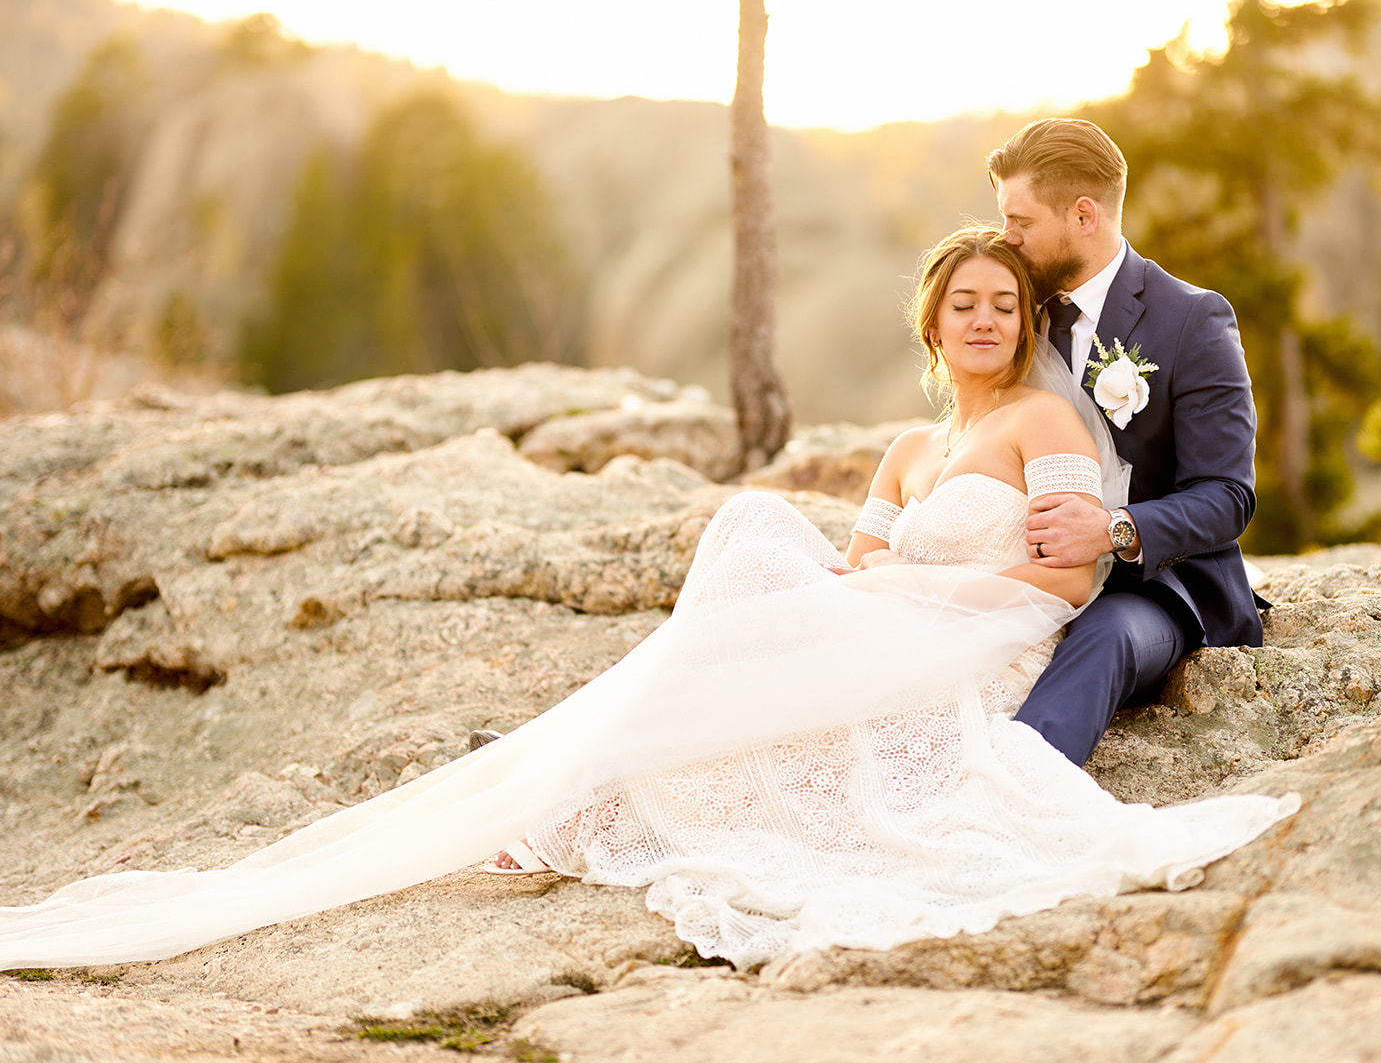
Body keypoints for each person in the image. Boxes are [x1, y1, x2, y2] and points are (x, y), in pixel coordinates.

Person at [0, 228, 1296, 973]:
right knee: (754, 527)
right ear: (931, 319)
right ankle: (582, 792)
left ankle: (566, 797)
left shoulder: (1044, 418)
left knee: (751, 547)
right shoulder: (909, 450)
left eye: (1001, 303)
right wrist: (870, 584)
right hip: (893, 611)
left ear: (1022, 325)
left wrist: (920, 583)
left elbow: (1067, 574)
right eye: (961, 300)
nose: (979, 317)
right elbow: (854, 564)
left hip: (983, 626)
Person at [989, 118, 1268, 766]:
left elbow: (1228, 496)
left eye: (1020, 220)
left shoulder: (1192, 319)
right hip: (1032, 574)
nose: (1007, 237)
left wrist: (1113, 529)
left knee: (1103, 636)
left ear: (1083, 215)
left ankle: (1014, 792)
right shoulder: (1011, 307)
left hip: (1154, 592)